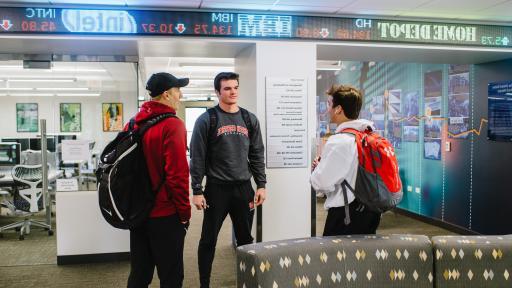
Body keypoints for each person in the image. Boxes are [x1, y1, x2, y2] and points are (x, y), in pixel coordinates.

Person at [190, 72, 267, 288]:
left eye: (235, 87)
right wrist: (197, 189)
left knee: (245, 240)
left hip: (244, 189)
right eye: (227, 88)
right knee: (208, 240)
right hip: (217, 189)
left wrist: (261, 184)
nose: (232, 92)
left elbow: (257, 154)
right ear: (217, 92)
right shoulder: (207, 119)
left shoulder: (249, 119)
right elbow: (197, 156)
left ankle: (248, 281)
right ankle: (204, 283)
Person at [127, 72, 191, 288]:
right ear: (166, 94)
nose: (179, 96)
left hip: (138, 211)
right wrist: (184, 213)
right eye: (177, 91)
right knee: (171, 275)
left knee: (139, 273)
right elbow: (177, 176)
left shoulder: (133, 123)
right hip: (164, 213)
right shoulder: (173, 125)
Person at [311, 84, 381, 236]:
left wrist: (317, 169)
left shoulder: (339, 141)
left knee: (335, 259)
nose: (327, 109)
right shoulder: (368, 136)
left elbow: (320, 183)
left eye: (329, 104)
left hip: (345, 215)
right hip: (370, 212)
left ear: (339, 109)